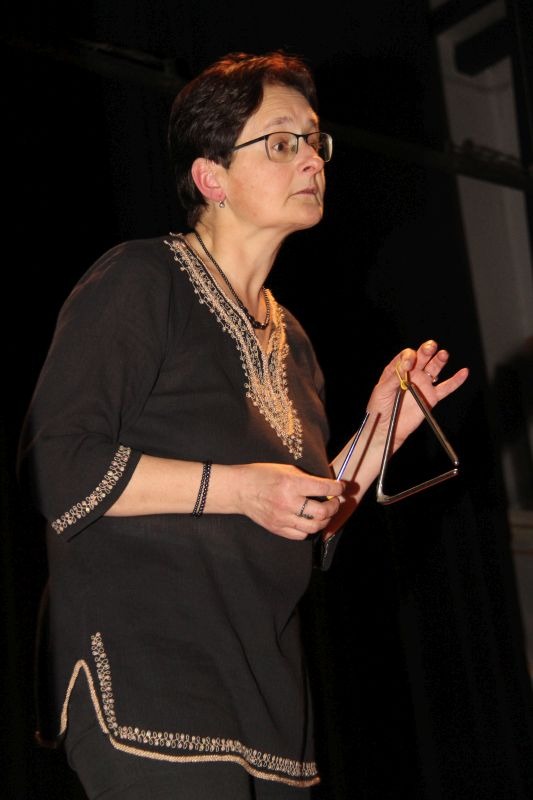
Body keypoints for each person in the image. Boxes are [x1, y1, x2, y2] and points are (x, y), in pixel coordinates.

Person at [17, 51, 468, 799]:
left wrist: (378, 434)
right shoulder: (142, 279)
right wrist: (241, 490)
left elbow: (306, 522)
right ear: (211, 177)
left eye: (314, 141)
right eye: (282, 142)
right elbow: (56, 466)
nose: (311, 159)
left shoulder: (294, 343)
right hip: (151, 679)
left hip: (266, 699)